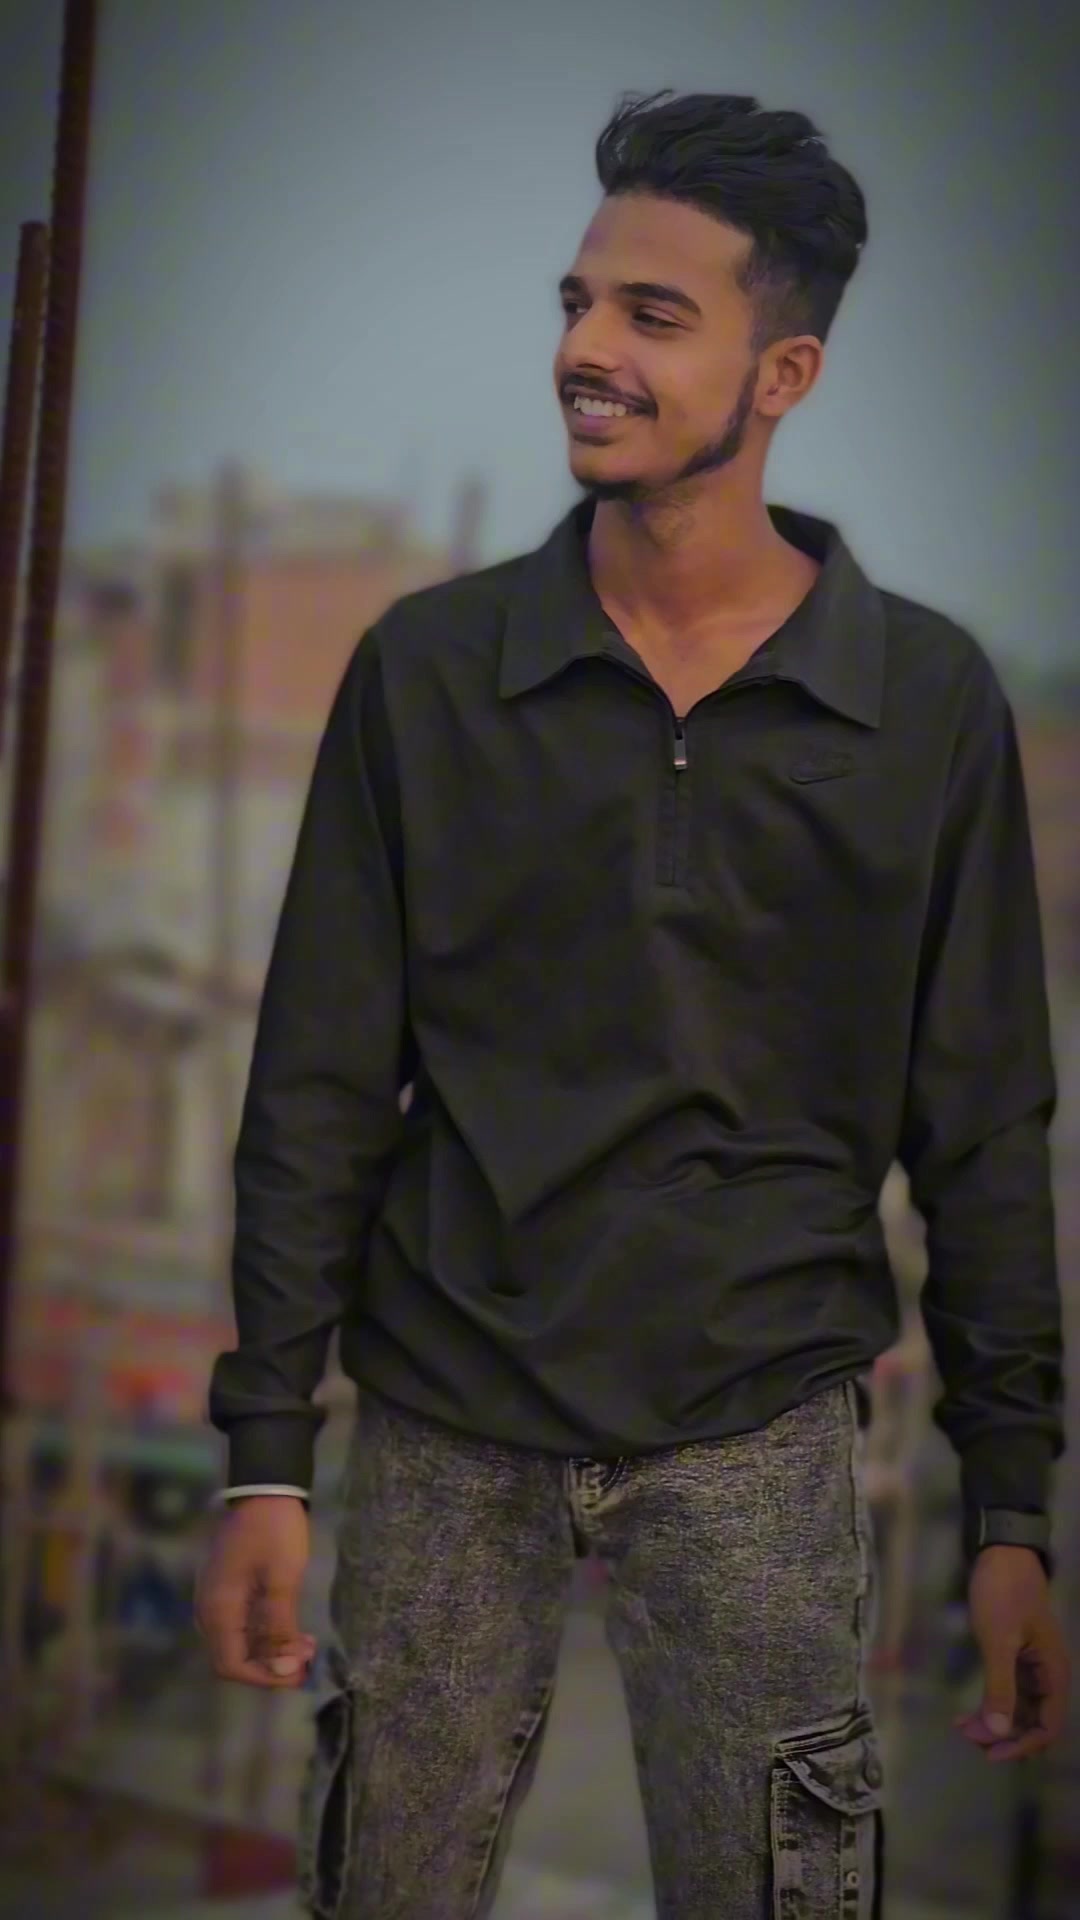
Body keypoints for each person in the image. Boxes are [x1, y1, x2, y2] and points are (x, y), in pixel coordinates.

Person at [197, 90, 1071, 1919]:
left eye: (653, 315)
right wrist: (261, 1457)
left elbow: (986, 1127)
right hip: (447, 1418)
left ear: (786, 372)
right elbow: (319, 1086)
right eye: (578, 302)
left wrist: (1010, 1511)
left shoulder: (924, 706)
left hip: (759, 1431)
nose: (585, 350)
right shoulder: (431, 672)